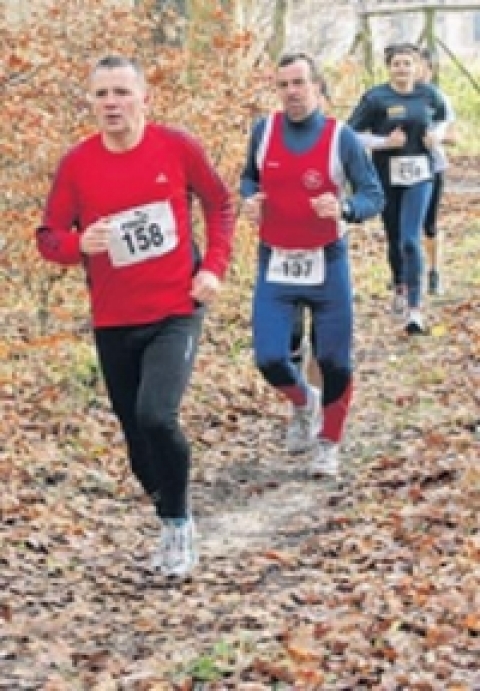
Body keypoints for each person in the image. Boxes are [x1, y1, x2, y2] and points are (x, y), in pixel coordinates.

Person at [35, 55, 234, 578]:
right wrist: (81, 244)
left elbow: (220, 205)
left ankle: (178, 524)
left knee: (156, 415)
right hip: (113, 318)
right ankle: (169, 509)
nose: (112, 104)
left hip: (175, 309)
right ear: (91, 103)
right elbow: (48, 237)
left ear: (145, 98)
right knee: (136, 440)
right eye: (101, 95)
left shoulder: (177, 147)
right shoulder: (77, 164)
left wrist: (212, 267)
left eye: (122, 93)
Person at [240, 52, 384, 477]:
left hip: (327, 261)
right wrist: (251, 198)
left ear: (318, 87)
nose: (291, 92)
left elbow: (373, 195)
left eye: (299, 83)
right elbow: (249, 176)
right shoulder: (264, 131)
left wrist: (344, 207)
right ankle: (306, 403)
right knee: (269, 356)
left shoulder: (342, 138)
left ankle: (329, 444)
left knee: (335, 359)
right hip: (277, 260)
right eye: (283, 85)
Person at [348, 43, 449, 334]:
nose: (402, 69)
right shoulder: (376, 98)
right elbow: (351, 134)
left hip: (421, 174)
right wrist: (383, 143)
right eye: (397, 64)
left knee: (409, 239)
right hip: (385, 176)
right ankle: (400, 288)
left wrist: (436, 137)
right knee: (394, 237)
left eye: (407, 63)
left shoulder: (429, 94)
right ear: (388, 67)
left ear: (417, 66)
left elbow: (444, 120)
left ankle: (416, 310)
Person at [418, 48, 456, 295]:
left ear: (429, 70)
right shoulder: (390, 97)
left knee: (429, 224)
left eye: (420, 65)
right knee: (402, 225)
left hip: (432, 165)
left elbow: (453, 135)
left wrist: (437, 138)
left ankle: (434, 272)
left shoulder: (439, 99)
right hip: (400, 168)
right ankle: (404, 273)